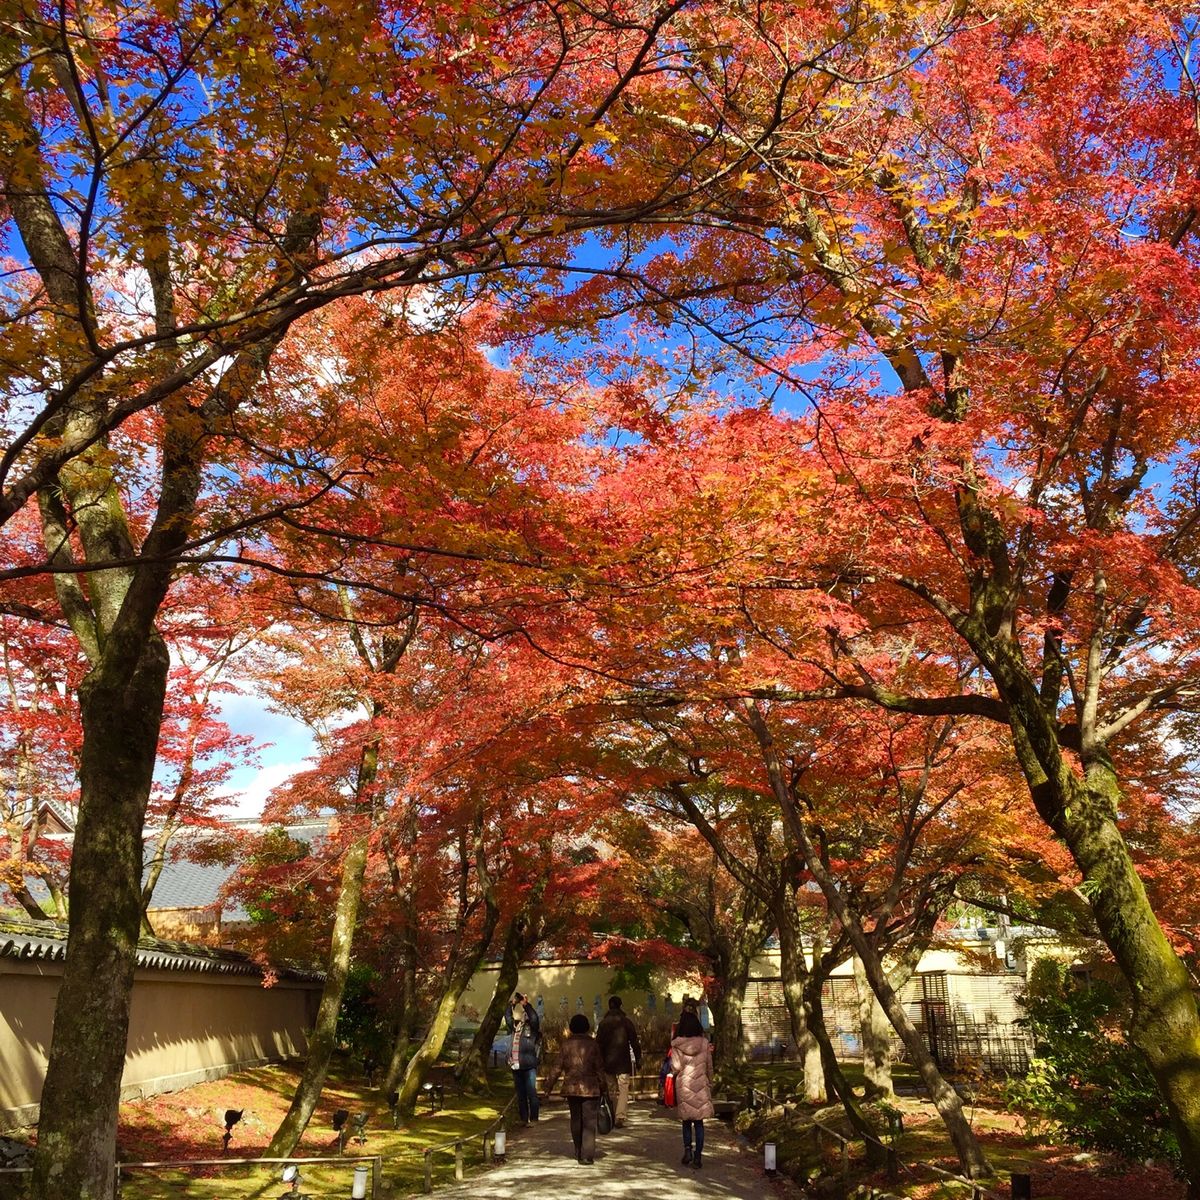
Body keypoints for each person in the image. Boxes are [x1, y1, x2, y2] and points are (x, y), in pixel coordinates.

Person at [549, 1013, 608, 1164]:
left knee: (576, 1119)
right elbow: (600, 1068)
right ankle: (587, 1154)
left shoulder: (566, 1045)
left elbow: (557, 1067)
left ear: (572, 1028)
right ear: (587, 1027)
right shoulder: (594, 1045)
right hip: (591, 1087)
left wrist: (548, 1086)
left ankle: (577, 1149)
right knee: (589, 1121)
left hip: (572, 1087)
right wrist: (603, 1086)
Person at [670, 1009, 714, 1169]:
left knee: (686, 1122)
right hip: (701, 1085)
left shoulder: (677, 1045)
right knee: (699, 1122)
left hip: (685, 1086)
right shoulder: (704, 1043)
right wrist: (711, 1081)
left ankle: (687, 1149)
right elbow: (709, 1066)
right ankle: (698, 1157)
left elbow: (675, 1067)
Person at [595, 996, 641, 1127]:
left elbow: (598, 1044)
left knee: (611, 1089)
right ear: (620, 1005)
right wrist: (638, 1058)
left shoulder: (603, 1024)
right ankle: (620, 1116)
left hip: (607, 1061)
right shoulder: (626, 1022)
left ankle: (612, 1113)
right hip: (623, 1061)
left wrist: (598, 1062)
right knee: (623, 1088)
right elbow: (634, 1042)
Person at [503, 992, 541, 1124]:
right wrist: (512, 1003)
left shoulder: (532, 1028)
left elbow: (535, 1018)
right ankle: (523, 1119)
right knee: (521, 1095)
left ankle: (534, 1118)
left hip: (529, 1065)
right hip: (515, 1065)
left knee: (531, 1093)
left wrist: (526, 1005)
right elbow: (508, 1017)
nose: (523, 1017)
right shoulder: (515, 1027)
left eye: (525, 1015)